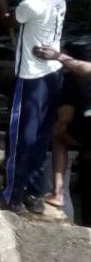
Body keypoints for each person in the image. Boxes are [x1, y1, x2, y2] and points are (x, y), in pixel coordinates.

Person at [0, 0, 66, 214]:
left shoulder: (32, 5)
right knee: (41, 138)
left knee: (20, 137)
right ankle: (35, 193)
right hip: (53, 74)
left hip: (32, 77)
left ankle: (12, 195)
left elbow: (8, 20)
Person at [33, 44, 91, 224]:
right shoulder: (72, 80)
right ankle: (58, 193)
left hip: (84, 129)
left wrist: (57, 56)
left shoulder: (71, 80)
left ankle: (58, 192)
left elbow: (81, 66)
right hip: (84, 131)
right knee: (59, 140)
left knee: (58, 138)